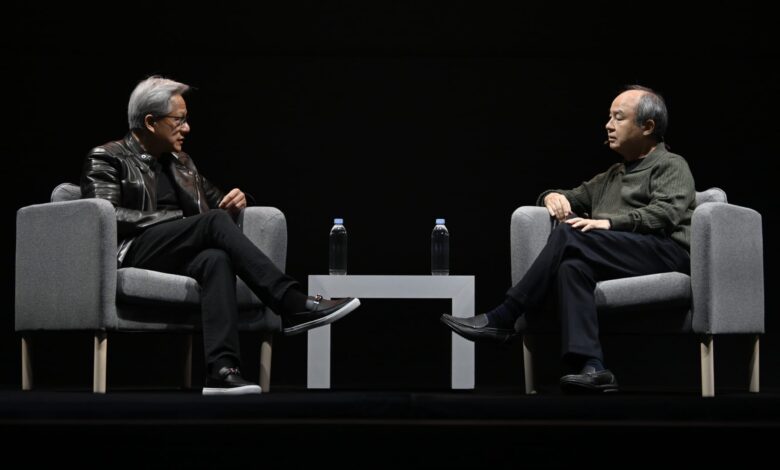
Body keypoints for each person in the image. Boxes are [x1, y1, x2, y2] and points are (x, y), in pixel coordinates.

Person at [81, 76, 361, 396]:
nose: (187, 128)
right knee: (212, 224)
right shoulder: (107, 156)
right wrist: (180, 219)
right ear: (150, 122)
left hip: (176, 252)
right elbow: (107, 215)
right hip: (132, 249)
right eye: (179, 120)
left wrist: (240, 200)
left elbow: (217, 205)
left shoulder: (182, 163)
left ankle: (222, 370)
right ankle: (291, 301)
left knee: (216, 259)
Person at [441, 85, 695, 394]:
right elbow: (569, 195)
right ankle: (594, 366)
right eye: (609, 117)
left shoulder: (671, 164)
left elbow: (666, 214)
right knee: (572, 267)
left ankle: (505, 315)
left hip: (665, 253)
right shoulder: (611, 176)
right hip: (623, 254)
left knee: (570, 232)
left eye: (618, 117)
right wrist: (551, 197)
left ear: (648, 126)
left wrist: (609, 222)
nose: (608, 125)